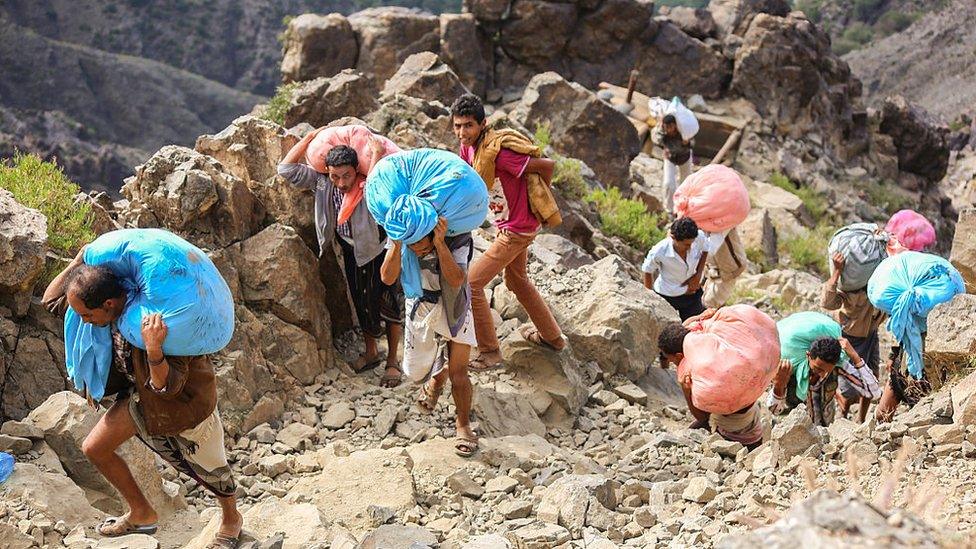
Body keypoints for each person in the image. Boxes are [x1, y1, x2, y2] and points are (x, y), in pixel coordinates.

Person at [43, 251, 242, 549]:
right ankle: (141, 512)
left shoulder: (161, 320)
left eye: (87, 315)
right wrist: (76, 263)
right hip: (141, 398)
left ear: (108, 304)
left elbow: (168, 386)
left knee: (209, 467)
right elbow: (50, 302)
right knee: (95, 449)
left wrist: (153, 350)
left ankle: (231, 519)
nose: (83, 321)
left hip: (185, 403)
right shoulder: (100, 309)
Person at [278, 128, 405, 387]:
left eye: (346, 175)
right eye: (335, 176)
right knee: (360, 301)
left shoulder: (367, 181)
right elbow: (286, 170)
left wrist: (377, 154)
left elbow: (380, 185)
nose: (341, 183)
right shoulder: (323, 183)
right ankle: (371, 352)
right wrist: (308, 140)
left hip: (378, 250)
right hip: (349, 249)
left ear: (356, 170)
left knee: (388, 300)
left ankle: (392, 362)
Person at [450, 93, 565, 371]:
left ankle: (490, 352)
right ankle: (553, 338)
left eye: (468, 126)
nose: (462, 132)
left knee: (472, 284)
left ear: (483, 124)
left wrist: (535, 201)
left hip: (517, 230)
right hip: (507, 224)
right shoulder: (469, 149)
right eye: (457, 126)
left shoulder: (500, 153)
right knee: (516, 281)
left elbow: (547, 166)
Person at [380, 217, 479, 457]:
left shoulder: (458, 241)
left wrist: (440, 244)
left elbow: (456, 280)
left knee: (459, 373)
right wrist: (396, 244)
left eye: (423, 246)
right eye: (412, 246)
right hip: (421, 304)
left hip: (455, 303)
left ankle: (463, 425)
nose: (418, 250)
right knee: (415, 372)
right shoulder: (403, 237)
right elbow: (387, 277)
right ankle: (436, 376)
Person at [658, 311, 764, 451]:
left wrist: (686, 390)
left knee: (695, 429)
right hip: (752, 413)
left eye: (669, 358)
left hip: (735, 432)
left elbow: (702, 417)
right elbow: (687, 324)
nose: (669, 362)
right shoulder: (706, 340)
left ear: (678, 355)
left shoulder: (699, 370)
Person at [822, 252, 886, 422]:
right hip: (849, 337)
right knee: (848, 388)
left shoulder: (880, 284)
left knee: (871, 377)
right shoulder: (850, 286)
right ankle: (842, 414)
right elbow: (827, 302)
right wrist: (836, 272)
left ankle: (861, 419)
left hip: (871, 334)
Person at [768, 336, 875, 427]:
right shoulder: (788, 370)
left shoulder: (836, 367)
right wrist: (779, 385)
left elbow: (872, 392)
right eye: (818, 368)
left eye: (827, 370)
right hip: (794, 438)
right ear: (808, 355)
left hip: (824, 434)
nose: (822, 374)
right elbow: (774, 411)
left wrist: (855, 357)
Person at [642, 216, 718, 321]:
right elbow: (647, 270)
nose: (690, 247)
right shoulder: (660, 251)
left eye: (691, 244)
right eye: (686, 245)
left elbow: (705, 248)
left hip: (692, 295)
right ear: (673, 238)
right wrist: (649, 298)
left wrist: (698, 273)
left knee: (695, 326)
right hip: (668, 295)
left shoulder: (698, 237)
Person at [651, 113, 693, 213]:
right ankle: (669, 209)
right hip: (670, 157)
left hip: (684, 157)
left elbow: (693, 143)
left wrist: (687, 143)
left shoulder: (683, 132)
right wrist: (660, 129)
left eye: (670, 127)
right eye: (666, 127)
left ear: (675, 125)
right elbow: (656, 140)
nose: (668, 130)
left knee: (686, 184)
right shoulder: (662, 132)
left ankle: (682, 207)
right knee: (669, 184)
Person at [701, 227, 747, 308]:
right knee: (707, 300)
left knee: (710, 303)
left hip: (729, 270)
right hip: (713, 270)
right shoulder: (704, 222)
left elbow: (711, 248)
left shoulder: (723, 221)